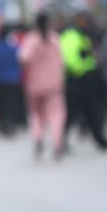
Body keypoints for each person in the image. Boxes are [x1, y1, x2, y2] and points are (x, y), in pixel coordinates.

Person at [60, 12, 107, 150]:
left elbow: (90, 57)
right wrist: (85, 68)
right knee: (70, 113)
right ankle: (60, 141)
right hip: (76, 80)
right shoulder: (70, 37)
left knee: (93, 112)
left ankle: (100, 140)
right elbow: (70, 60)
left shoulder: (84, 37)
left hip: (88, 80)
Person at [19, 13, 66, 159]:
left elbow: (23, 58)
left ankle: (38, 138)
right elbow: (63, 61)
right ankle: (57, 143)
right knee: (56, 114)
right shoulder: (55, 39)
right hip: (54, 84)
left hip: (35, 85)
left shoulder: (31, 39)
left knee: (36, 115)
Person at [0, 24, 23, 136]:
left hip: (0, 80)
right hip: (13, 80)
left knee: (0, 103)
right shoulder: (13, 47)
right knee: (11, 103)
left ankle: (2, 125)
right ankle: (11, 123)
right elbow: (19, 61)